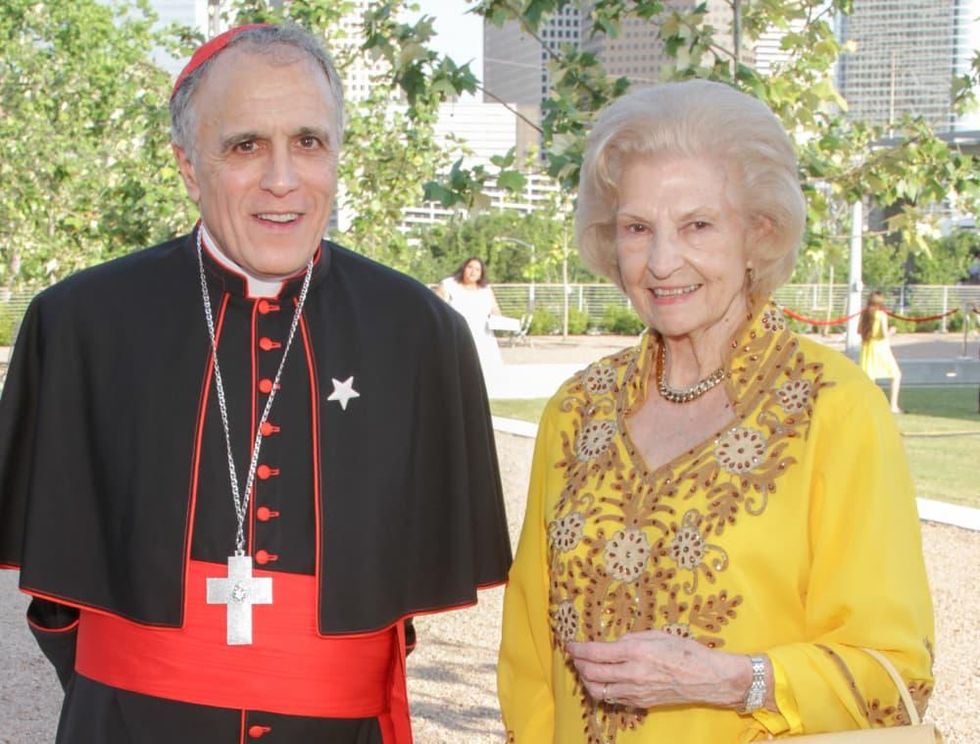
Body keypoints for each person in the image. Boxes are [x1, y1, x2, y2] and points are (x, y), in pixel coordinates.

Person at [0, 24, 511, 743]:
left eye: (309, 141)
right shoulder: (81, 323)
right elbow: (56, 601)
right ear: (188, 166)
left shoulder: (422, 334)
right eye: (245, 146)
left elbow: (400, 603)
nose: (282, 178)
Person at [497, 80, 934, 742]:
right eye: (637, 228)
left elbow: (896, 678)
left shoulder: (836, 410)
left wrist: (732, 680)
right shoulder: (577, 410)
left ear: (758, 233)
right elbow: (529, 662)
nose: (662, 261)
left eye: (697, 225)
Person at [436, 256, 504, 383]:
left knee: (483, 379)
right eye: (470, 267)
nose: (473, 272)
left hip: (483, 340)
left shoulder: (485, 289)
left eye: (477, 270)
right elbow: (436, 309)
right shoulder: (449, 285)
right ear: (463, 268)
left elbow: (495, 310)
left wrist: (503, 323)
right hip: (457, 338)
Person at [859, 290, 903, 413]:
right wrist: (892, 331)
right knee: (896, 374)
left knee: (870, 377)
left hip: (868, 347)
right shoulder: (881, 315)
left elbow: (859, 330)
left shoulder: (864, 314)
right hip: (880, 348)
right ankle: (893, 405)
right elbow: (884, 334)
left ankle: (869, 405)